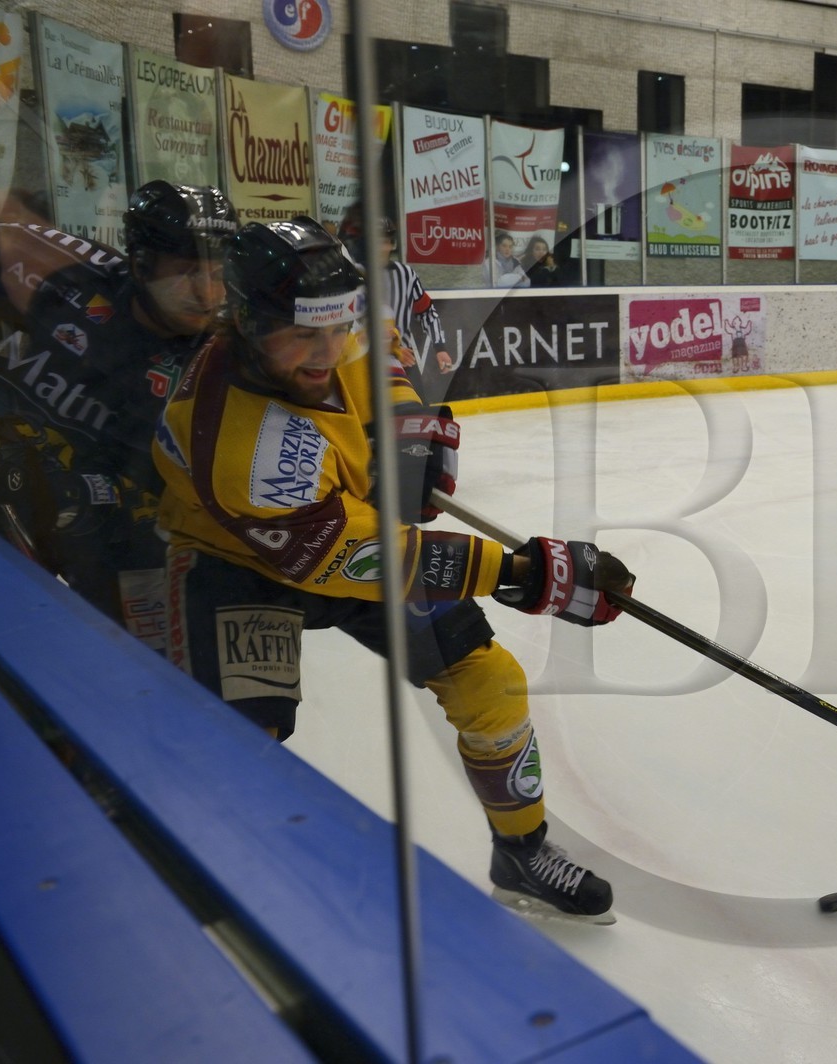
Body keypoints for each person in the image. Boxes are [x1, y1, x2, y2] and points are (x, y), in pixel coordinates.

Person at [152, 218, 635, 922]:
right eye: (303, 337)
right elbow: (365, 559)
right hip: (240, 563)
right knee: (242, 742)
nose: (325, 354)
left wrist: (409, 430)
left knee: (488, 679)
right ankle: (221, 888)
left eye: (333, 327)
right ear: (249, 323)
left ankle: (522, 851)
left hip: (337, 524)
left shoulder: (328, 319)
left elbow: (377, 356)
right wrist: (521, 572)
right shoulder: (240, 443)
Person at [0, 181, 238, 652]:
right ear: (141, 262)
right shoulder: (66, 275)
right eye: (186, 271)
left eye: (218, 272)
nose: (207, 292)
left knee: (148, 677)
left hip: (124, 538)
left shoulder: (224, 361)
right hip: (12, 493)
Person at [341, 209, 454, 383]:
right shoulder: (352, 276)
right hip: (366, 365)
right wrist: (392, 349)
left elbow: (427, 313)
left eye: (385, 241)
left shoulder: (406, 274)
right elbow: (348, 329)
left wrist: (440, 348)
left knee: (418, 409)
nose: (380, 247)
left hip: (404, 364)